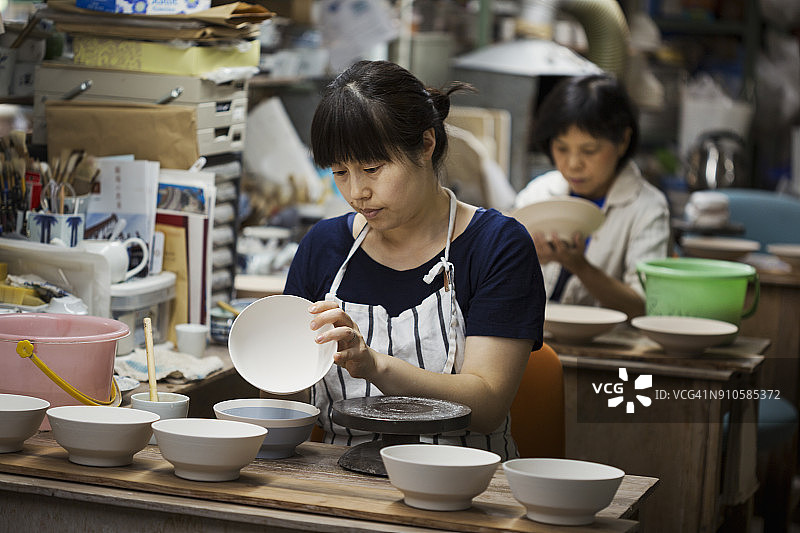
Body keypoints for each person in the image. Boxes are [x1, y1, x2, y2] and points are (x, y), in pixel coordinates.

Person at [283, 60, 545, 459]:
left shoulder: (497, 246)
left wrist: (375, 366)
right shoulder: (323, 248)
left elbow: (488, 406)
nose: (357, 192)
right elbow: (287, 400)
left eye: (372, 168)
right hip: (337, 480)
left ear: (426, 144)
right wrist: (267, 349)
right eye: (339, 172)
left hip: (463, 482)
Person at [514, 73, 669, 318]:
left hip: (611, 348)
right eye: (562, 148)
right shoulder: (537, 194)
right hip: (538, 343)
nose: (573, 164)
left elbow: (644, 305)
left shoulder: (648, 208)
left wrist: (580, 267)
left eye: (589, 150)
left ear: (623, 141)